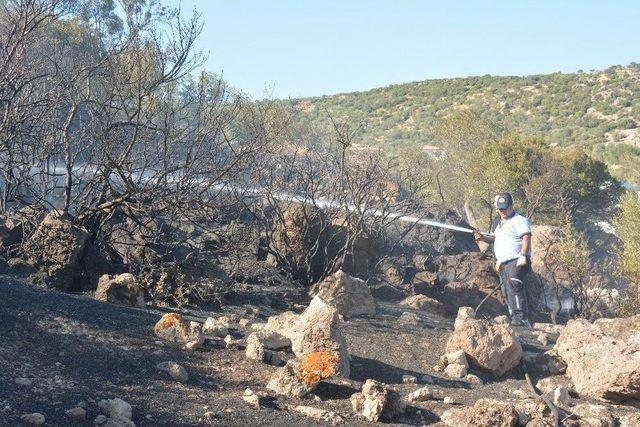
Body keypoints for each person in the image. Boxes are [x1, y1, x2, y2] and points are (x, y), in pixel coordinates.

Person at [474, 193, 532, 327]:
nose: (503, 211)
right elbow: (494, 239)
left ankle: (521, 319)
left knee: (514, 284)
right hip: (503, 263)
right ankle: (514, 318)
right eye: (500, 209)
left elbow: (526, 237)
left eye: (505, 208)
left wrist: (523, 255)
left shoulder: (519, 220)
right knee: (506, 289)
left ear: (511, 206)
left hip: (517, 259)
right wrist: (482, 237)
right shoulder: (499, 223)